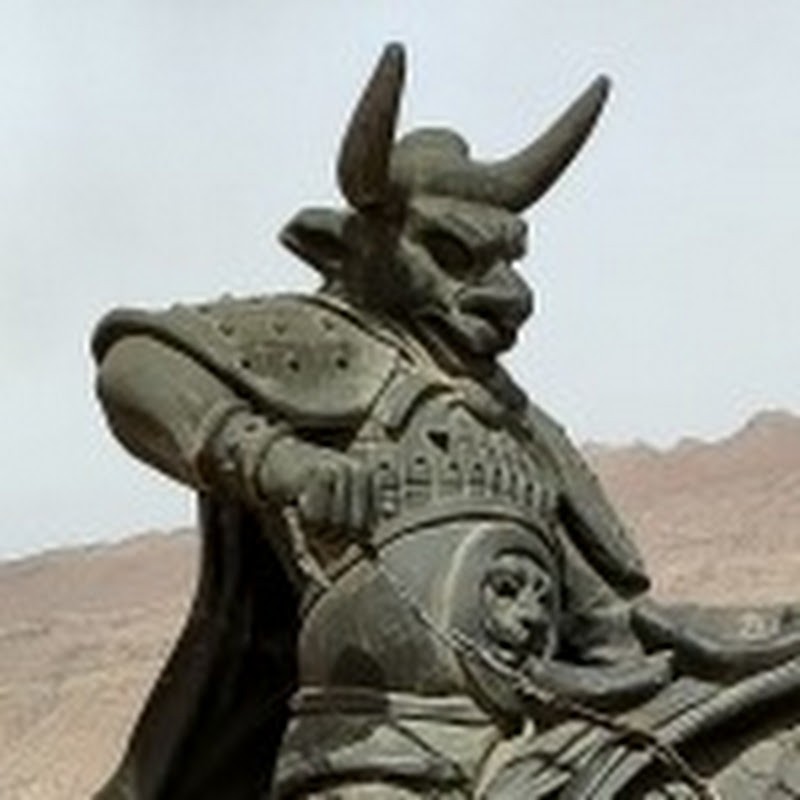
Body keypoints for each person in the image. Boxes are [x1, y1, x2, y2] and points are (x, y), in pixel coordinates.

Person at [93, 44, 800, 800]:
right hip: (382, 751)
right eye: (452, 254)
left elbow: (615, 630)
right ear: (353, 245)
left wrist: (771, 632)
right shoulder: (321, 345)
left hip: (541, 739)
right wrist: (276, 460)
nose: (509, 294)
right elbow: (135, 365)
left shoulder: (523, 430)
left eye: (506, 262)